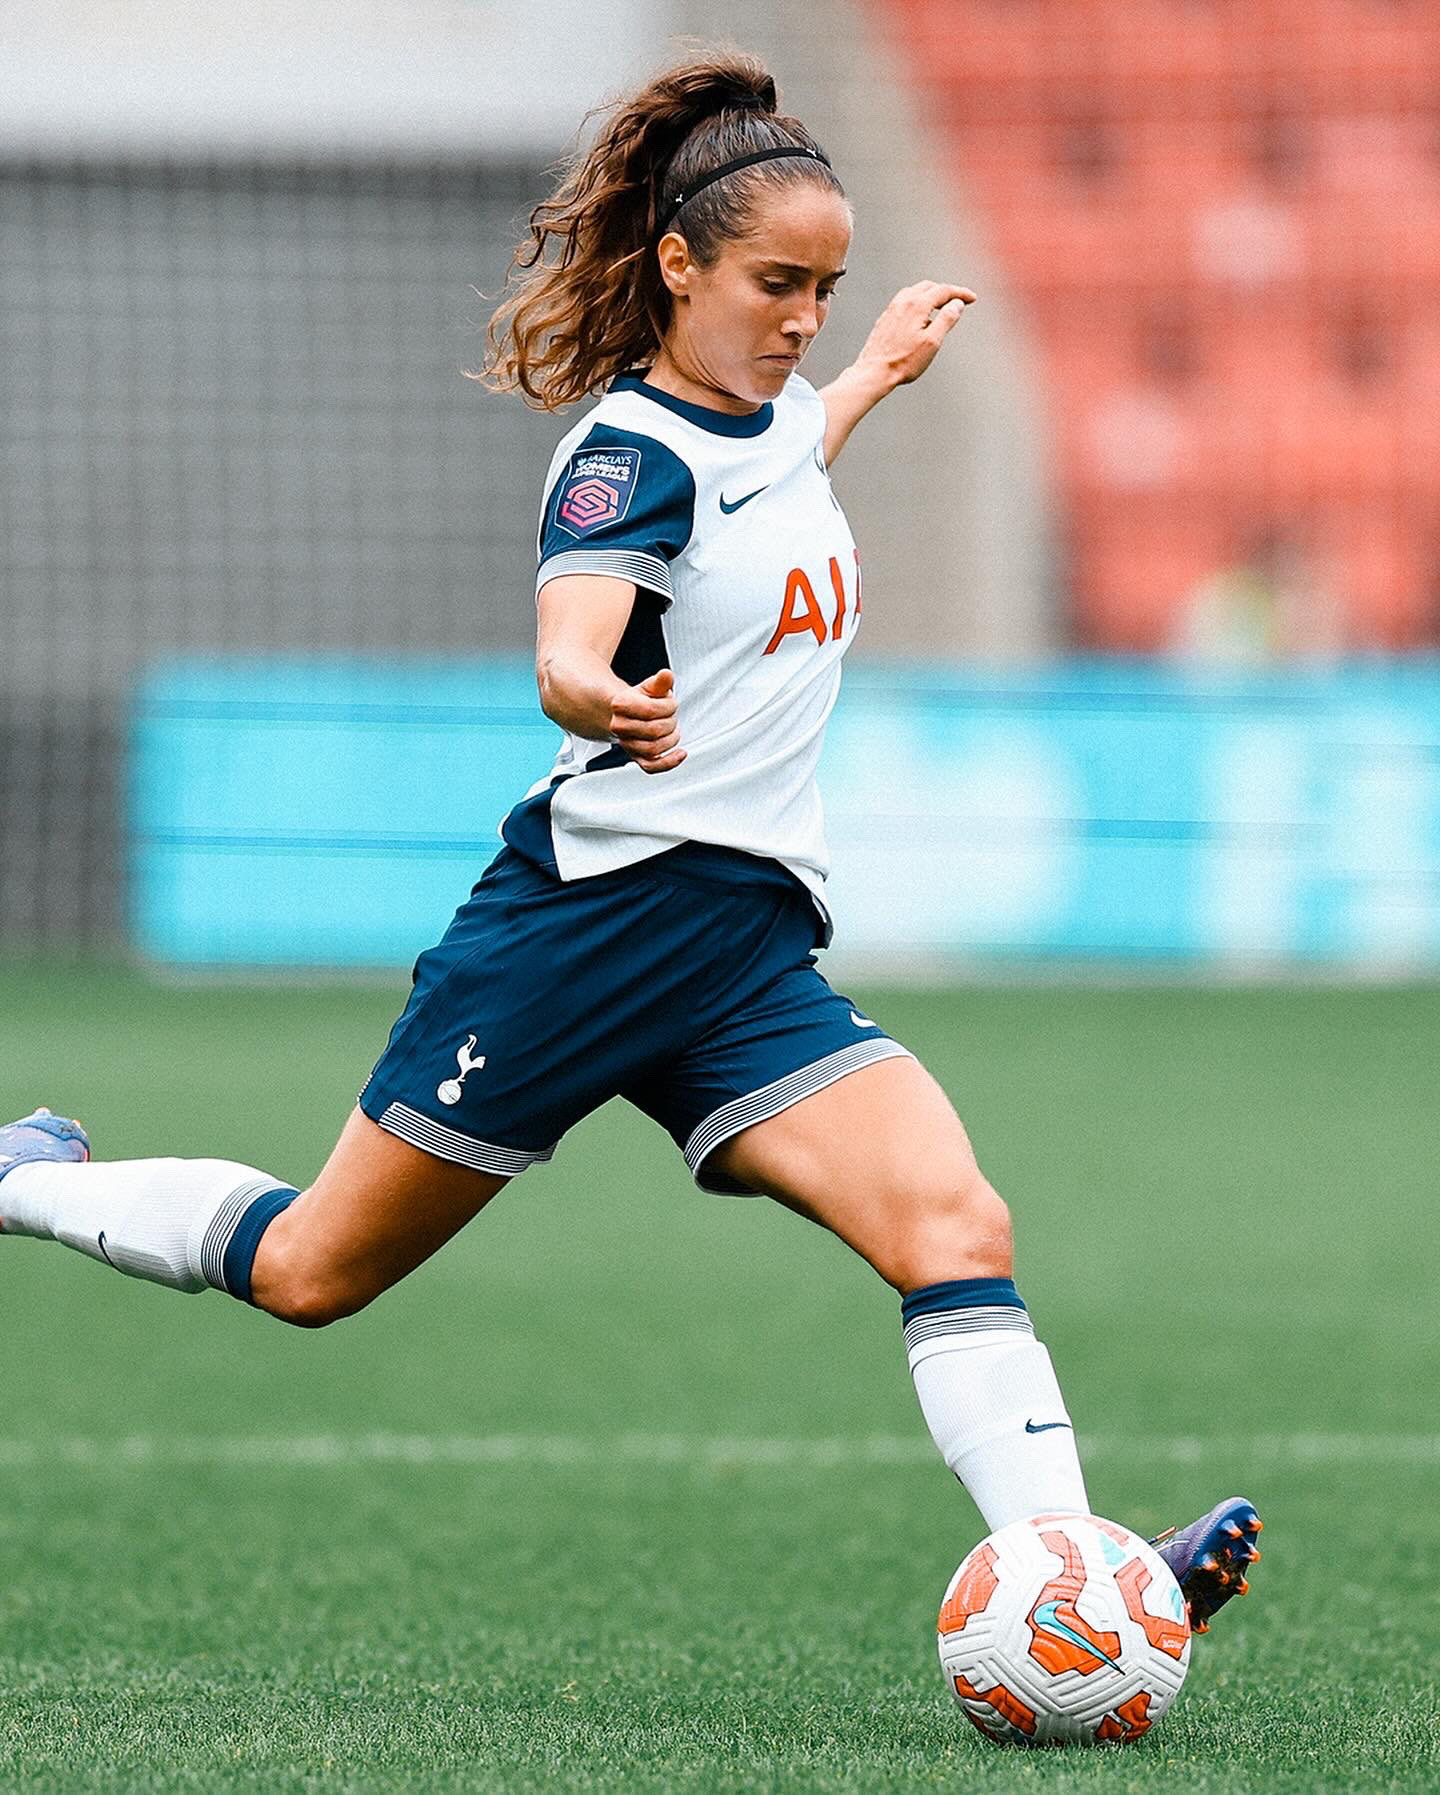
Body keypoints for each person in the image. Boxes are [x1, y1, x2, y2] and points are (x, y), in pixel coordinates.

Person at [0, 51, 1258, 1647]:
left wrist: (868, 372)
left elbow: (784, 471)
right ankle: (29, 1180)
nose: (804, 315)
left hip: (738, 952)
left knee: (957, 1226)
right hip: (582, 932)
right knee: (317, 1267)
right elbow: (576, 624)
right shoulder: (626, 455)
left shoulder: (779, 414)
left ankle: (1083, 1578)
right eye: (777, 284)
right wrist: (588, 680)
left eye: (828, 287)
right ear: (679, 265)